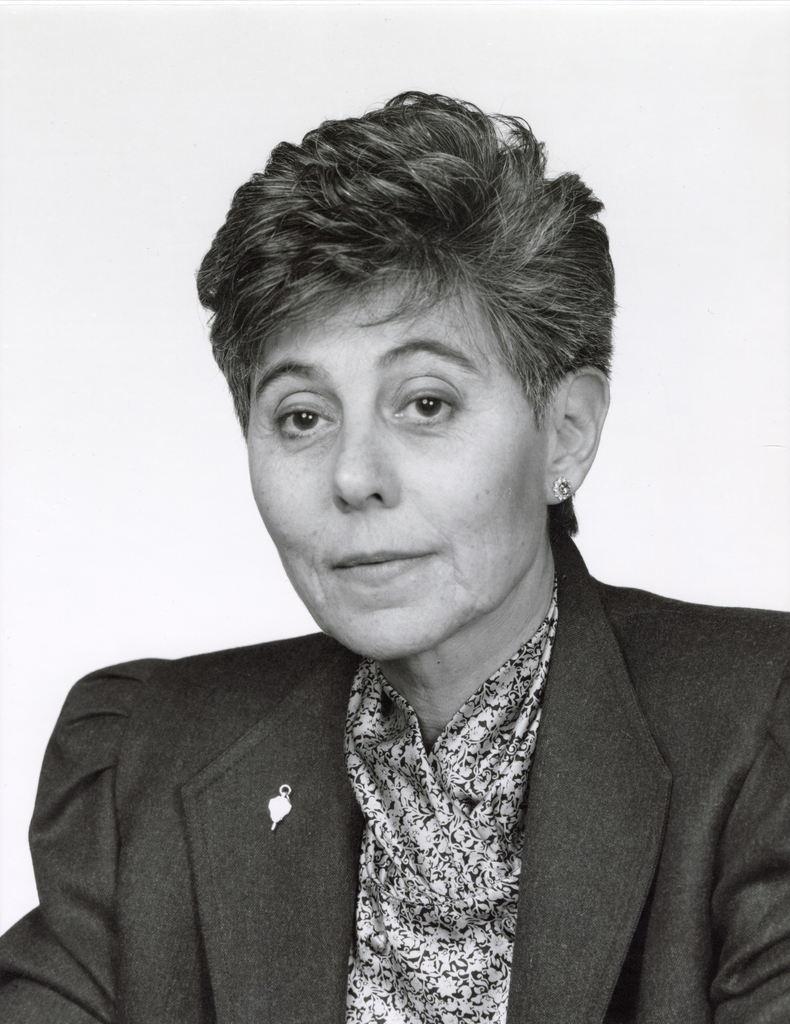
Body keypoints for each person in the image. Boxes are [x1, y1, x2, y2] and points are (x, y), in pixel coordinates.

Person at [0, 91, 788, 1024]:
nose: (355, 477)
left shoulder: (760, 726)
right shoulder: (140, 760)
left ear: (566, 433)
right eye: (301, 417)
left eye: (425, 404)